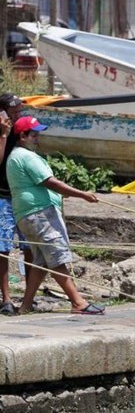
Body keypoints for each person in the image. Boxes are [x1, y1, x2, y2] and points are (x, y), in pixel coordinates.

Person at [7, 116, 105, 315]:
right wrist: (82, 194)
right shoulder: (26, 156)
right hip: (39, 214)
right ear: (22, 136)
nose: (38, 139)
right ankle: (78, 302)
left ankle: (26, 305)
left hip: (28, 215)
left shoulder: (16, 156)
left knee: (41, 262)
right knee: (57, 257)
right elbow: (49, 181)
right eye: (34, 135)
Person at [0, 93, 29, 315]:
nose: (17, 115)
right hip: (2, 196)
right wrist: (3, 134)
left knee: (29, 245)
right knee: (3, 248)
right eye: (13, 112)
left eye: (19, 111)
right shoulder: (3, 131)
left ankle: (29, 296)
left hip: (20, 195)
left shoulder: (19, 130)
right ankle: (6, 298)